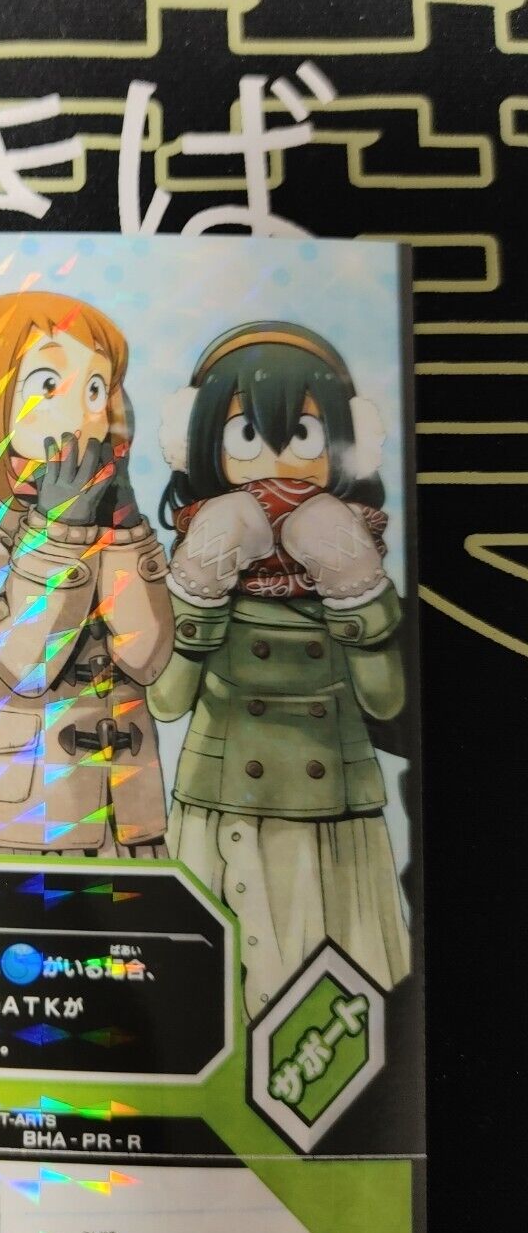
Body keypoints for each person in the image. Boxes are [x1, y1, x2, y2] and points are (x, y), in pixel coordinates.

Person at [149, 321, 411, 1017]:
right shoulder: (197, 549)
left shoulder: (360, 551)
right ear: (200, 445)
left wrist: (354, 585)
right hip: (222, 807)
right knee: (214, 1008)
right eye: (245, 436)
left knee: (338, 1002)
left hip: (334, 819)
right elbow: (166, 700)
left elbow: (386, 700)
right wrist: (198, 585)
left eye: (303, 434)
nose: (277, 463)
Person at [0, 290, 174, 855]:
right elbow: (20, 666)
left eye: (95, 389)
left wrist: (125, 530)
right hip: (10, 823)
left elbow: (148, 658)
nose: (83, 413)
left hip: (123, 814)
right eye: (48, 385)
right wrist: (60, 538)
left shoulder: (94, 497)